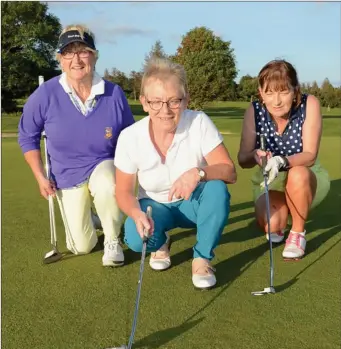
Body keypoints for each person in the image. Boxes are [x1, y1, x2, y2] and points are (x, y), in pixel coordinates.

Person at [114, 57, 236, 290]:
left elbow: (229, 171)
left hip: (192, 205)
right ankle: (161, 242)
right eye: (157, 102)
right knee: (135, 239)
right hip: (154, 207)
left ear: (186, 99)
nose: (165, 110)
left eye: (174, 101)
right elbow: (123, 191)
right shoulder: (130, 137)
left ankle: (201, 258)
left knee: (217, 188)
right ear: (144, 102)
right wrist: (136, 214)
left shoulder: (199, 122)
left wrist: (198, 173)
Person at [18, 24, 134, 267]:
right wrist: (40, 177)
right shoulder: (45, 94)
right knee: (81, 246)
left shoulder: (114, 93)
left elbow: (129, 138)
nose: (77, 59)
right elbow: (28, 136)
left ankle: (113, 240)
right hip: (66, 174)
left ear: (94, 55)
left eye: (83, 51)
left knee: (106, 183)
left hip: (104, 164)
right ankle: (94, 218)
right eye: (69, 52)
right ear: (60, 59)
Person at [238, 59, 330, 259]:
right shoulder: (254, 111)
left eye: (283, 91)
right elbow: (242, 159)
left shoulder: (309, 103)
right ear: (261, 93)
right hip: (271, 180)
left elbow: (310, 156)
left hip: (306, 175)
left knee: (297, 173)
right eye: (269, 92)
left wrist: (282, 161)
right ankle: (287, 210)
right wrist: (254, 155)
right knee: (272, 224)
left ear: (295, 90)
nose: (277, 101)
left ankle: (297, 233)